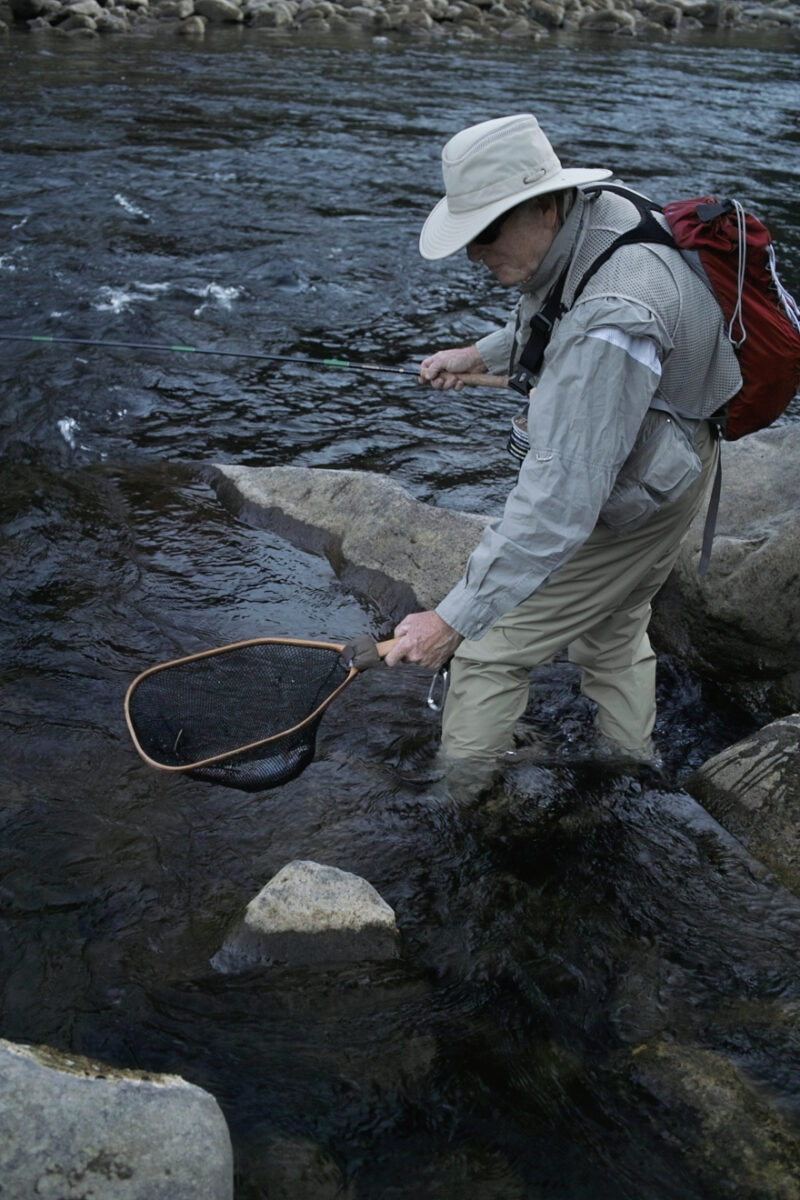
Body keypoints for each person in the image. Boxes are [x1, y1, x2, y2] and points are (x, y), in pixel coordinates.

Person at [382, 113, 741, 771]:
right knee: (613, 626)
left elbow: (561, 501)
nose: (474, 253)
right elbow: (559, 307)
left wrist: (453, 620)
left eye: (486, 232)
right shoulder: (602, 213)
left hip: (645, 486)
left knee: (488, 647)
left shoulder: (614, 319)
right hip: (679, 457)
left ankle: (464, 803)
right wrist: (481, 355)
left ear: (545, 207)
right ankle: (631, 770)